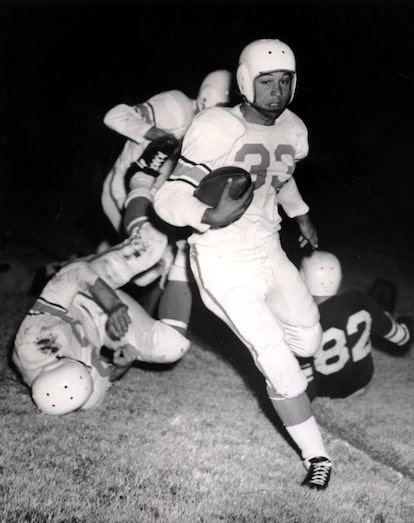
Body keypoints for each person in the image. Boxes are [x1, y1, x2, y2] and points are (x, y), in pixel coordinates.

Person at [154, 38, 332, 490]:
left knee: (309, 335)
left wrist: (301, 214)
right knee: (274, 356)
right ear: (246, 82)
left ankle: (301, 373)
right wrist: (204, 215)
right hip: (222, 259)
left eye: (285, 81)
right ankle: (318, 456)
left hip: (269, 250)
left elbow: (280, 177)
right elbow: (169, 194)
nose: (276, 90)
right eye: (267, 81)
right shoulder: (216, 126)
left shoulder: (294, 127)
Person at [100, 69, 232, 332]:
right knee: (147, 259)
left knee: (165, 263)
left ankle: (145, 332)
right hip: (126, 188)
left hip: (157, 200)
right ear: (206, 101)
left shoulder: (211, 132)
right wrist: (156, 133)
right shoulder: (177, 105)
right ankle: (71, 282)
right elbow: (114, 116)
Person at [13, 221, 191, 415]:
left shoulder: (35, 339)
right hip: (100, 328)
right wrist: (122, 366)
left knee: (151, 243)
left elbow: (74, 274)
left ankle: (138, 214)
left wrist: (113, 305)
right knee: (171, 345)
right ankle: (183, 255)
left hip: (78, 294)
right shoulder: (84, 396)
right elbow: (108, 376)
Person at [298, 250, 414, 399]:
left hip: (326, 388)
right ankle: (383, 313)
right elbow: (402, 338)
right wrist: (409, 322)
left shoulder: (300, 319)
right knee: (374, 304)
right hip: (362, 380)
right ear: (340, 277)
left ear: (301, 278)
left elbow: (302, 374)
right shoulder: (359, 298)